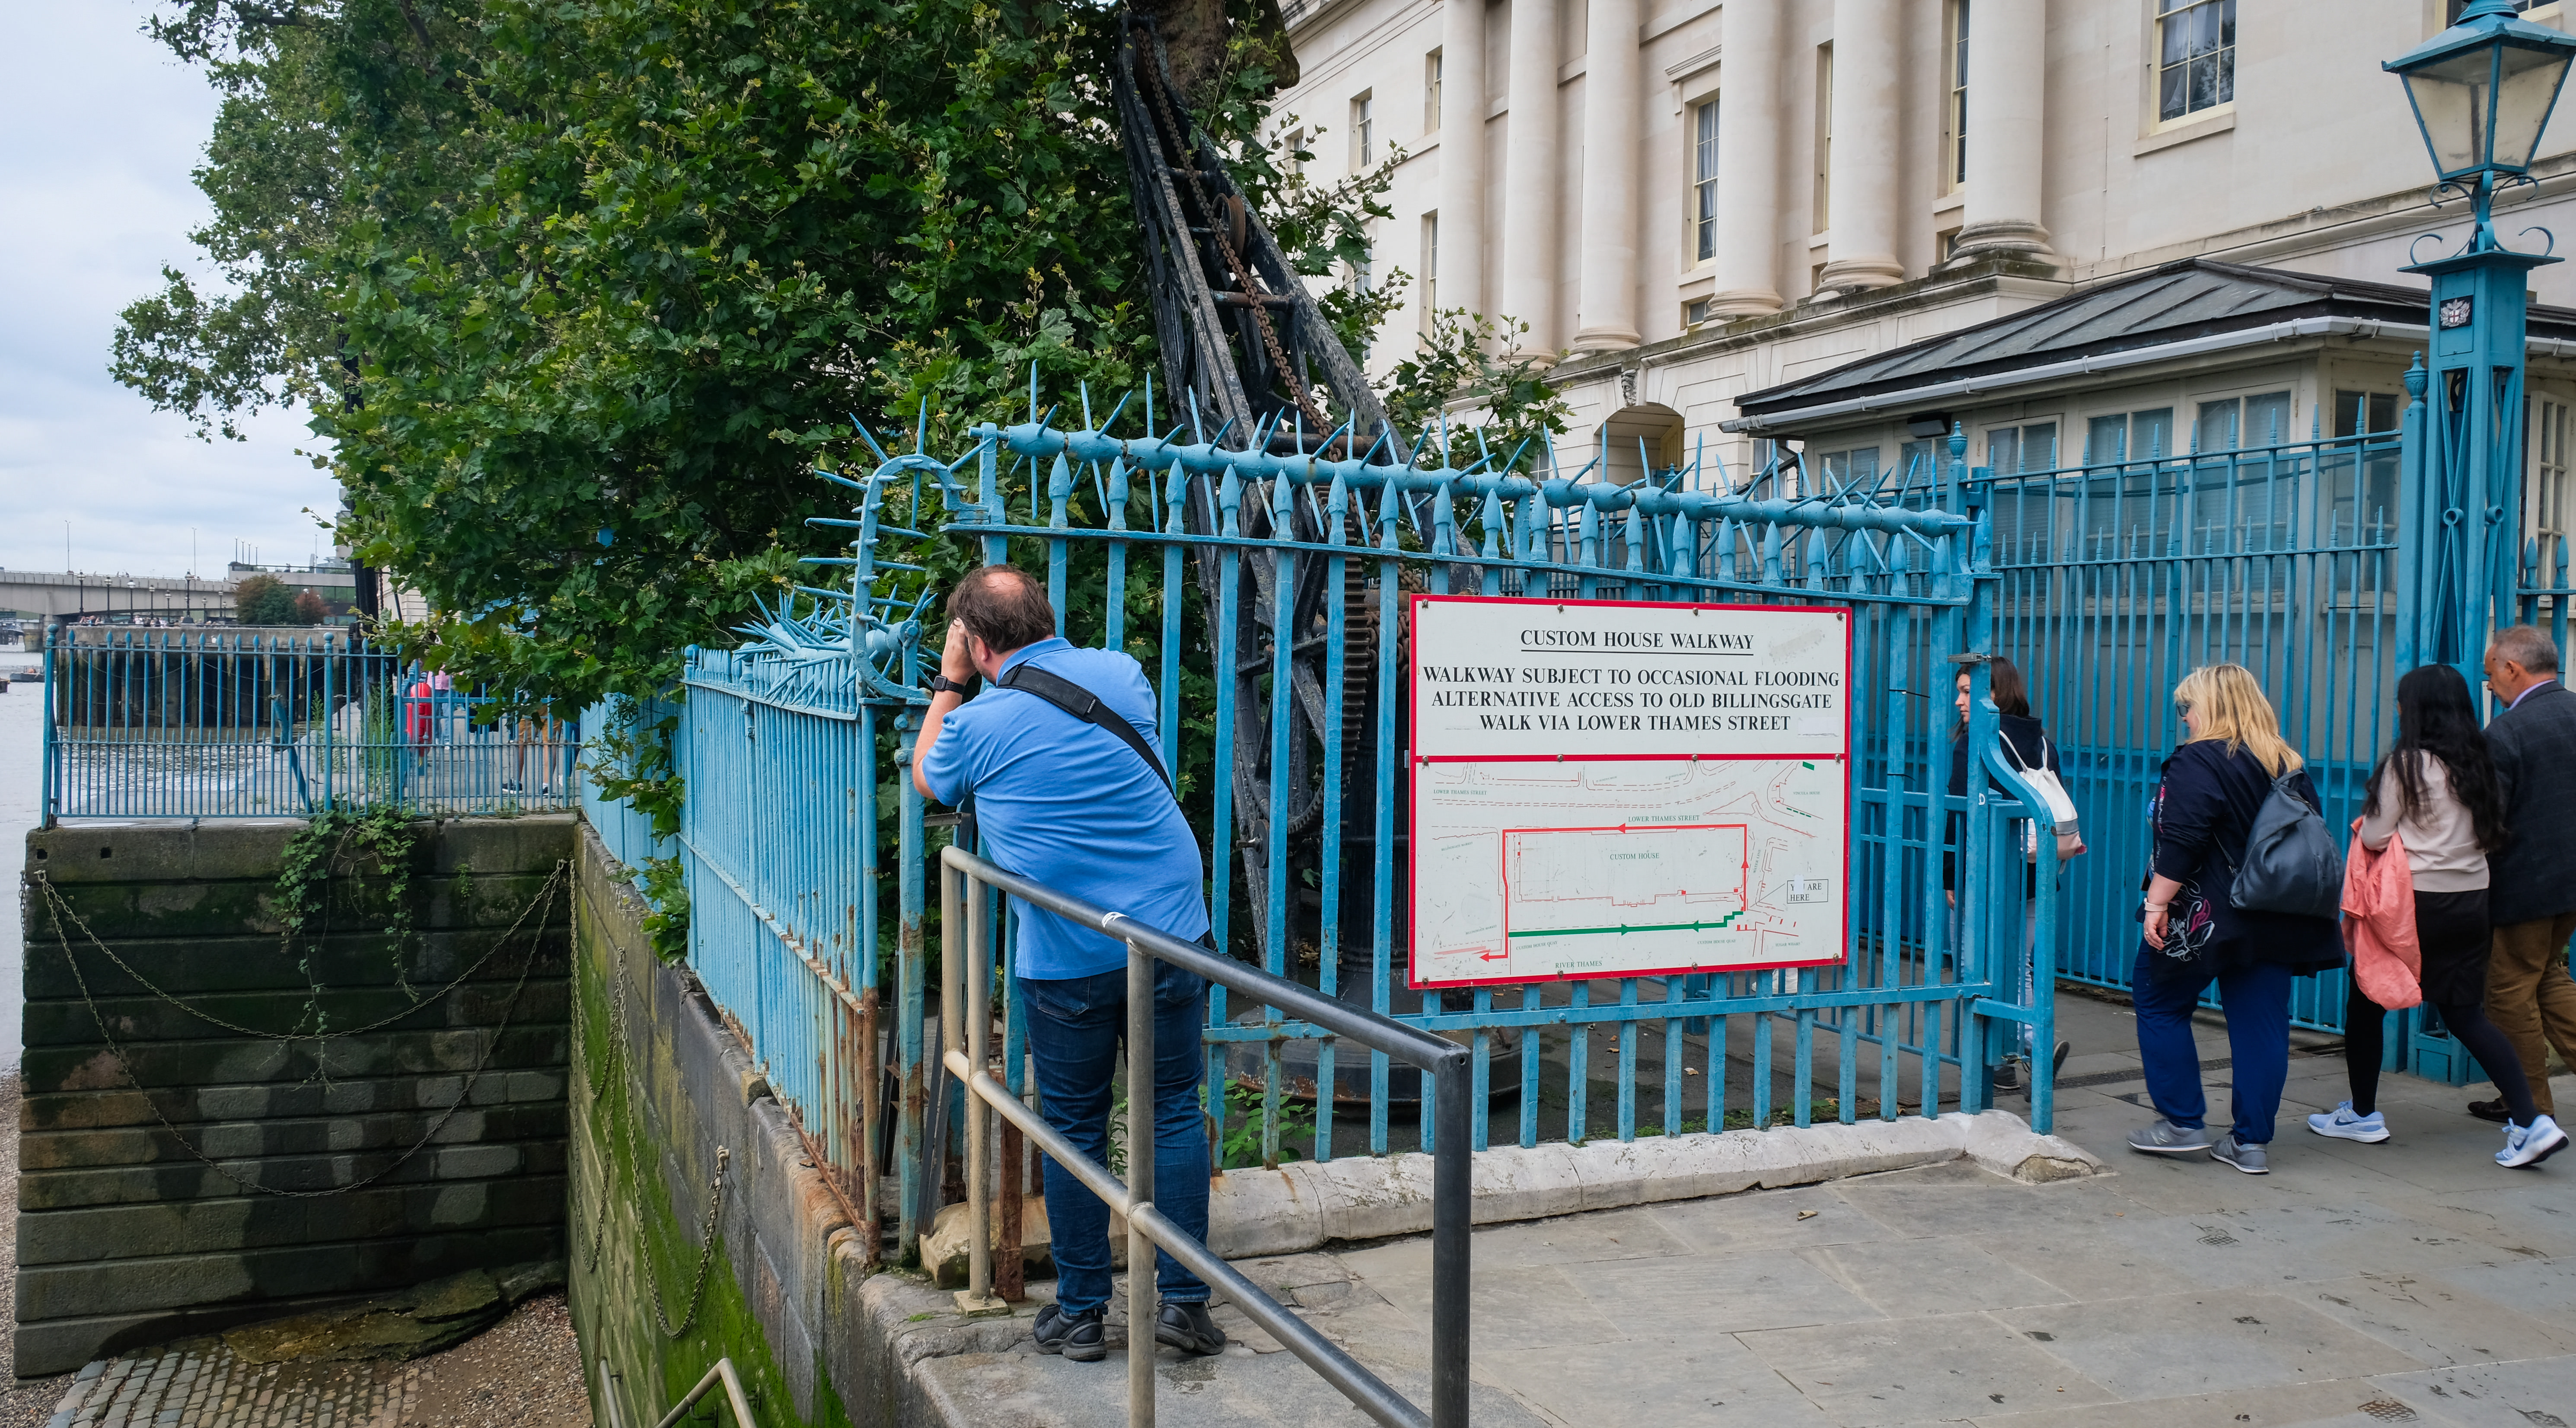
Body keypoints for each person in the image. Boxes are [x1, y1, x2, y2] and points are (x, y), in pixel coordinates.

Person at [910, 564, 1226, 1364]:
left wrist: (950, 679)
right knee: (1172, 1109)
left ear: (977, 642)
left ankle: (1082, 1312)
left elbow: (928, 779)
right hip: (1170, 930)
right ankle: (1185, 1305)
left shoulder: (977, 723)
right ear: (1046, 617)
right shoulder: (1121, 673)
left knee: (1076, 1124)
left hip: (1068, 953)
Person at [2309, 664, 2566, 1167]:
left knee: (2366, 1003)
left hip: (2411, 904)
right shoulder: (2480, 760)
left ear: (2416, 709)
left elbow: (2375, 836)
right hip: (2470, 901)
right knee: (2464, 1013)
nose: (2397, 709)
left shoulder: (2405, 765)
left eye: (2401, 701)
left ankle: (2361, 1114)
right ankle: (2531, 1122)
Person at [2131, 663, 2341, 1174]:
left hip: (2204, 915)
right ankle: (2249, 1144)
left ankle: (2181, 1124)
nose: (2183, 717)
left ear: (2210, 707)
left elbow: (2183, 839)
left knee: (2158, 1000)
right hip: (2276, 912)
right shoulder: (2285, 762)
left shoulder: (2198, 759)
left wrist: (2156, 904)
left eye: (2186, 707)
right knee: (2260, 1025)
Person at [1945, 656, 2073, 1090]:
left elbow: (1959, 815)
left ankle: (2031, 1047)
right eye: (1960, 691)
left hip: (1986, 877)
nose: (1959, 701)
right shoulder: (2042, 743)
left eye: (1968, 692)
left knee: (1973, 969)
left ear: (1995, 694)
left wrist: (1950, 875)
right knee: (2019, 968)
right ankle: (2003, 1065)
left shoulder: (1976, 744)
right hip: (2035, 875)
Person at [2477, 625, 2576, 1129]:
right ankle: (2521, 1100)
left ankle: (2529, 1109)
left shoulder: (2505, 733)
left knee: (2507, 993)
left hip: (2523, 888)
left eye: (2490, 674)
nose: (2489, 684)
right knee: (2548, 979)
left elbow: (2487, 823)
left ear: (2512, 668)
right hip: (2568, 886)